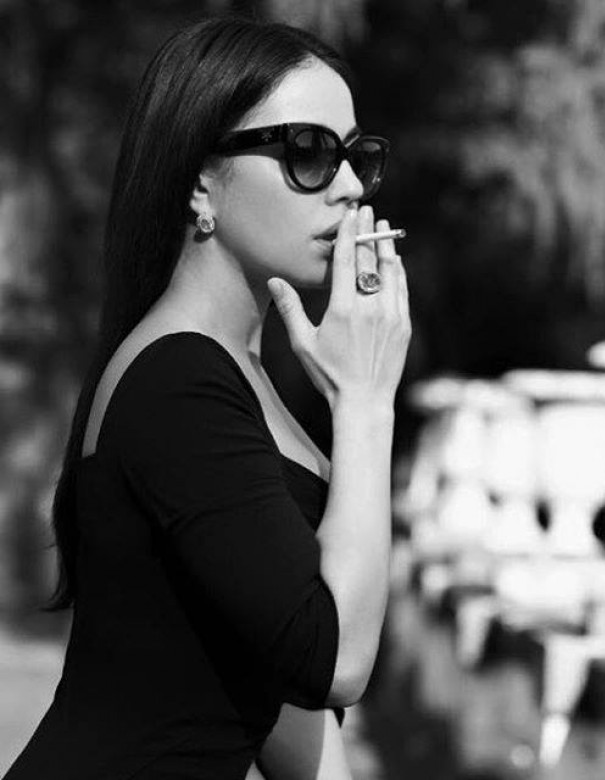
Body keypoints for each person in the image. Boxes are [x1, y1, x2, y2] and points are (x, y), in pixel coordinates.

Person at [3, 14, 410, 780]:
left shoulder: (231, 372)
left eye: (357, 156)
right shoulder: (177, 381)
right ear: (200, 182)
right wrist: (366, 404)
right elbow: (334, 662)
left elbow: (279, 693)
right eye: (309, 153)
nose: (351, 186)